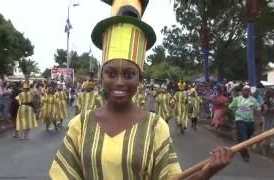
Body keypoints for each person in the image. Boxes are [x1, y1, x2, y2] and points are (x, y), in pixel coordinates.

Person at [50, 1, 233, 179]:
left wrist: (208, 171)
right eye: (111, 73)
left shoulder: (155, 126)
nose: (119, 82)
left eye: (129, 75)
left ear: (140, 79)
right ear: (101, 77)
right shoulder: (80, 124)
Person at [229, 85, 259, 162]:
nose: (246, 92)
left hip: (250, 121)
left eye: (248, 90)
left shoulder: (253, 100)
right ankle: (245, 155)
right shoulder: (237, 99)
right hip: (240, 121)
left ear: (249, 91)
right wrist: (235, 115)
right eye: (245, 90)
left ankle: (240, 145)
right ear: (242, 91)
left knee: (247, 139)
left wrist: (260, 110)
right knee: (244, 139)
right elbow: (231, 107)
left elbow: (258, 108)